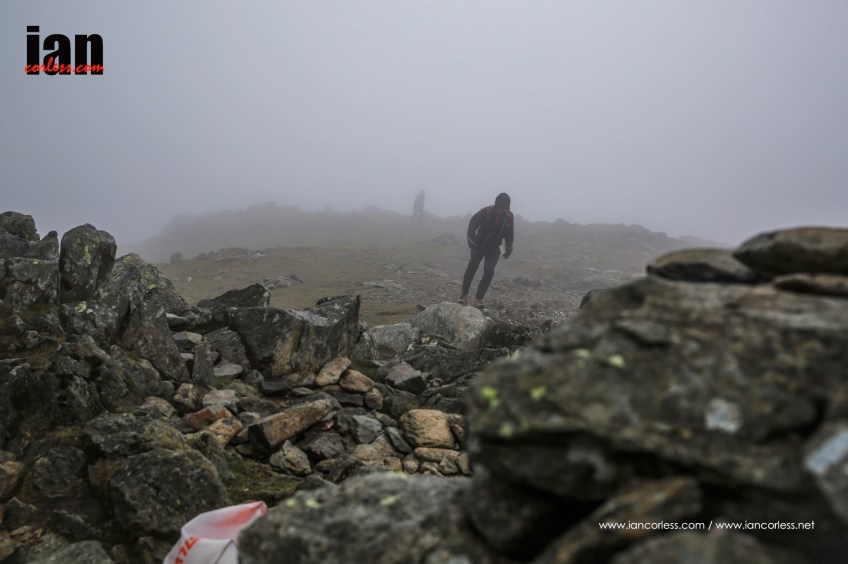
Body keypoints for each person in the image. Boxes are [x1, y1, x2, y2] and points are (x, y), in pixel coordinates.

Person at [459, 192, 514, 308]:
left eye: (503, 209)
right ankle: (464, 294)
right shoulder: (487, 211)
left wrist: (508, 248)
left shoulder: (509, 217)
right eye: (499, 208)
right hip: (479, 244)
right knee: (472, 268)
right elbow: (472, 223)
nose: (501, 211)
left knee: (489, 272)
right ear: (496, 205)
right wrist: (471, 241)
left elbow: (510, 234)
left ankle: (479, 299)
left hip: (495, 248)